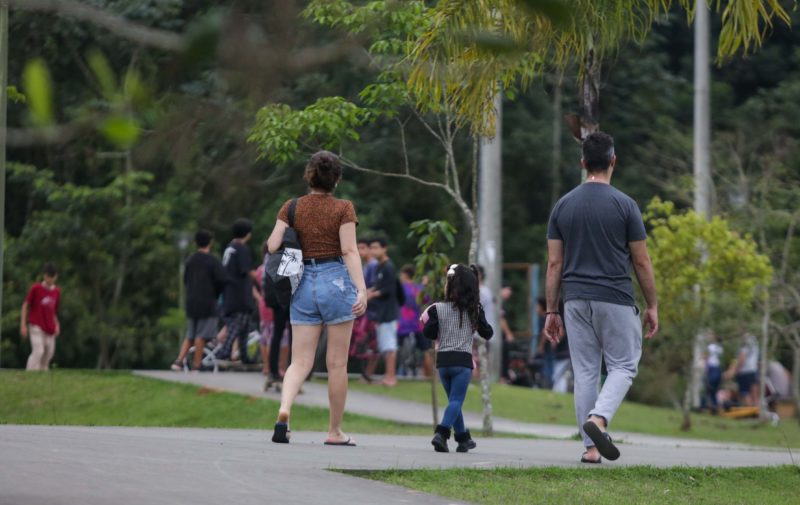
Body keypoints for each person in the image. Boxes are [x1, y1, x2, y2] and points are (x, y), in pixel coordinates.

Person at [544, 132, 658, 464]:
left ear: (583, 163)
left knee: (585, 372)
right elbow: (641, 261)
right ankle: (599, 419)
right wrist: (652, 305)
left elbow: (554, 263)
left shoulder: (563, 205)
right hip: (615, 297)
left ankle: (591, 449)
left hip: (575, 300)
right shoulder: (625, 205)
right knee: (624, 364)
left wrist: (551, 310)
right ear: (613, 161)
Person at [266, 150, 367, 445]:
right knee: (336, 364)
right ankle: (334, 432)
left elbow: (272, 245)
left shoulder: (291, 207)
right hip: (335, 281)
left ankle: (285, 411)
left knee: (299, 361)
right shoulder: (344, 208)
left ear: (309, 176)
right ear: (336, 179)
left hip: (302, 284)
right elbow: (349, 251)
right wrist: (361, 289)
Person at [421, 264, 493, 453]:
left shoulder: (437, 308)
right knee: (456, 401)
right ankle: (442, 433)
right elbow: (488, 333)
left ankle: (463, 439)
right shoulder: (474, 310)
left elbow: (428, 332)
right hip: (462, 362)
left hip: (443, 362)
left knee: (454, 401)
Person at [171, 230, 226, 371]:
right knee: (201, 335)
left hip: (191, 301)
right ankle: (196, 365)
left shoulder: (190, 260)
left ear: (195, 243)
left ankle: (178, 361)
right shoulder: (213, 261)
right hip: (207, 302)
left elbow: (185, 280)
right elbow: (221, 281)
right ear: (210, 242)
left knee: (191, 334)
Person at [219, 218, 259, 363]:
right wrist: (262, 277)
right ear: (248, 234)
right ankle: (225, 351)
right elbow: (246, 271)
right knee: (238, 323)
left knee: (245, 325)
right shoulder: (242, 249)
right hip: (239, 293)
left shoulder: (230, 247)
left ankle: (244, 355)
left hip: (229, 291)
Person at [367, 237, 400, 387]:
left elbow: (389, 289)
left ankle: (391, 378)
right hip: (381, 313)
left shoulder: (388, 267)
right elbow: (379, 286)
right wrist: (368, 291)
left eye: (376, 247)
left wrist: (372, 294)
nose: (373, 251)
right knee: (385, 346)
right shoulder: (380, 267)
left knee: (389, 347)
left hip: (388, 314)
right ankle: (388, 376)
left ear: (384, 248)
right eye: (371, 248)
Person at [21, 262, 61, 371]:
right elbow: (25, 305)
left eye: (52, 277)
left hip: (49, 326)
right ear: (44, 275)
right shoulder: (36, 288)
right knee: (38, 351)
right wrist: (23, 324)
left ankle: (42, 374)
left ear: (56, 276)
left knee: (49, 353)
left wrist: (57, 324)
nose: (50, 280)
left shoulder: (57, 291)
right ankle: (29, 373)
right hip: (36, 324)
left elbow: (53, 311)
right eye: (48, 277)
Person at [397, 264, 432, 377]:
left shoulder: (401, 288)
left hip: (402, 324)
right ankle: (429, 376)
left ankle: (396, 373)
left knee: (395, 349)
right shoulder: (419, 288)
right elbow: (426, 300)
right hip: (418, 324)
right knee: (426, 350)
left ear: (405, 275)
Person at [725, 334, 759, 407]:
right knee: (754, 394)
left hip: (745, 372)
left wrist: (735, 371)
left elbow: (742, 359)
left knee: (745, 393)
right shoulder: (754, 344)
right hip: (754, 370)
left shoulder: (745, 344)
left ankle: (750, 411)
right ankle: (756, 410)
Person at [703, 332, 723, 412]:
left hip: (715, 368)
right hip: (712, 368)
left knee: (711, 387)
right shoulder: (712, 347)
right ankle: (712, 406)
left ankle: (714, 405)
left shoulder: (715, 347)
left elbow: (706, 357)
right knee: (710, 388)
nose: (709, 337)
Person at [499, 285, 515, 383]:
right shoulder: (499, 302)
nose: (508, 296)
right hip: (499, 336)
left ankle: (504, 376)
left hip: (499, 335)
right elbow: (501, 319)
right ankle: (502, 377)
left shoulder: (500, 302)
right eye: (507, 292)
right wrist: (508, 333)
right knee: (504, 356)